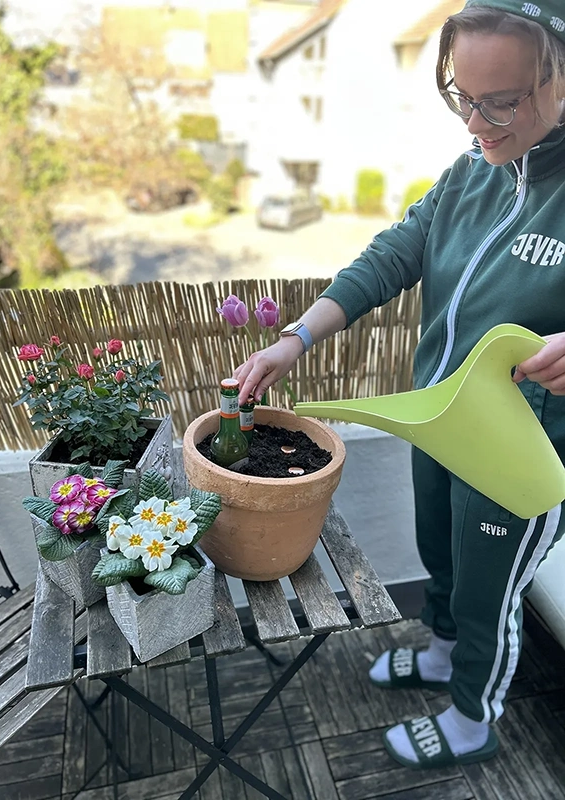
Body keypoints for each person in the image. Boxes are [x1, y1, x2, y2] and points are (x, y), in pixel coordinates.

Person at [234, 0, 565, 770]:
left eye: (500, 102)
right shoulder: (473, 172)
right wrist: (294, 337)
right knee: (440, 553)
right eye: (461, 97)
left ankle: (473, 719)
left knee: (488, 591)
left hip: (523, 448)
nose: (475, 124)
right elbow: (394, 254)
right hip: (438, 418)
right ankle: (444, 653)